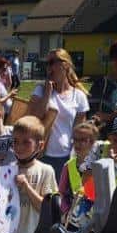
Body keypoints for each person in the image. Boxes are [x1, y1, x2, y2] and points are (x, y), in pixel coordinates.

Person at [28, 48, 89, 179]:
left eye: (52, 62)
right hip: (41, 156)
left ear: (65, 65)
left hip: (68, 158)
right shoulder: (40, 90)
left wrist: (78, 158)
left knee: (66, 192)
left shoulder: (79, 96)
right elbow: (34, 119)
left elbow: (79, 131)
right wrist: (47, 94)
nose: (48, 67)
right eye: (47, 64)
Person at [10, 115, 58, 233]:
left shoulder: (45, 170)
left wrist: (26, 186)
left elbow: (46, 209)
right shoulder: (8, 170)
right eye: (16, 141)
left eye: (26, 142)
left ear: (40, 146)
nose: (19, 147)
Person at [59, 121, 100, 227]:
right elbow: (62, 194)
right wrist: (66, 211)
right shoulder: (68, 165)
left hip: (94, 221)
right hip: (72, 221)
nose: (77, 143)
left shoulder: (99, 166)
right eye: (75, 139)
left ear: (92, 142)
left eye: (82, 140)